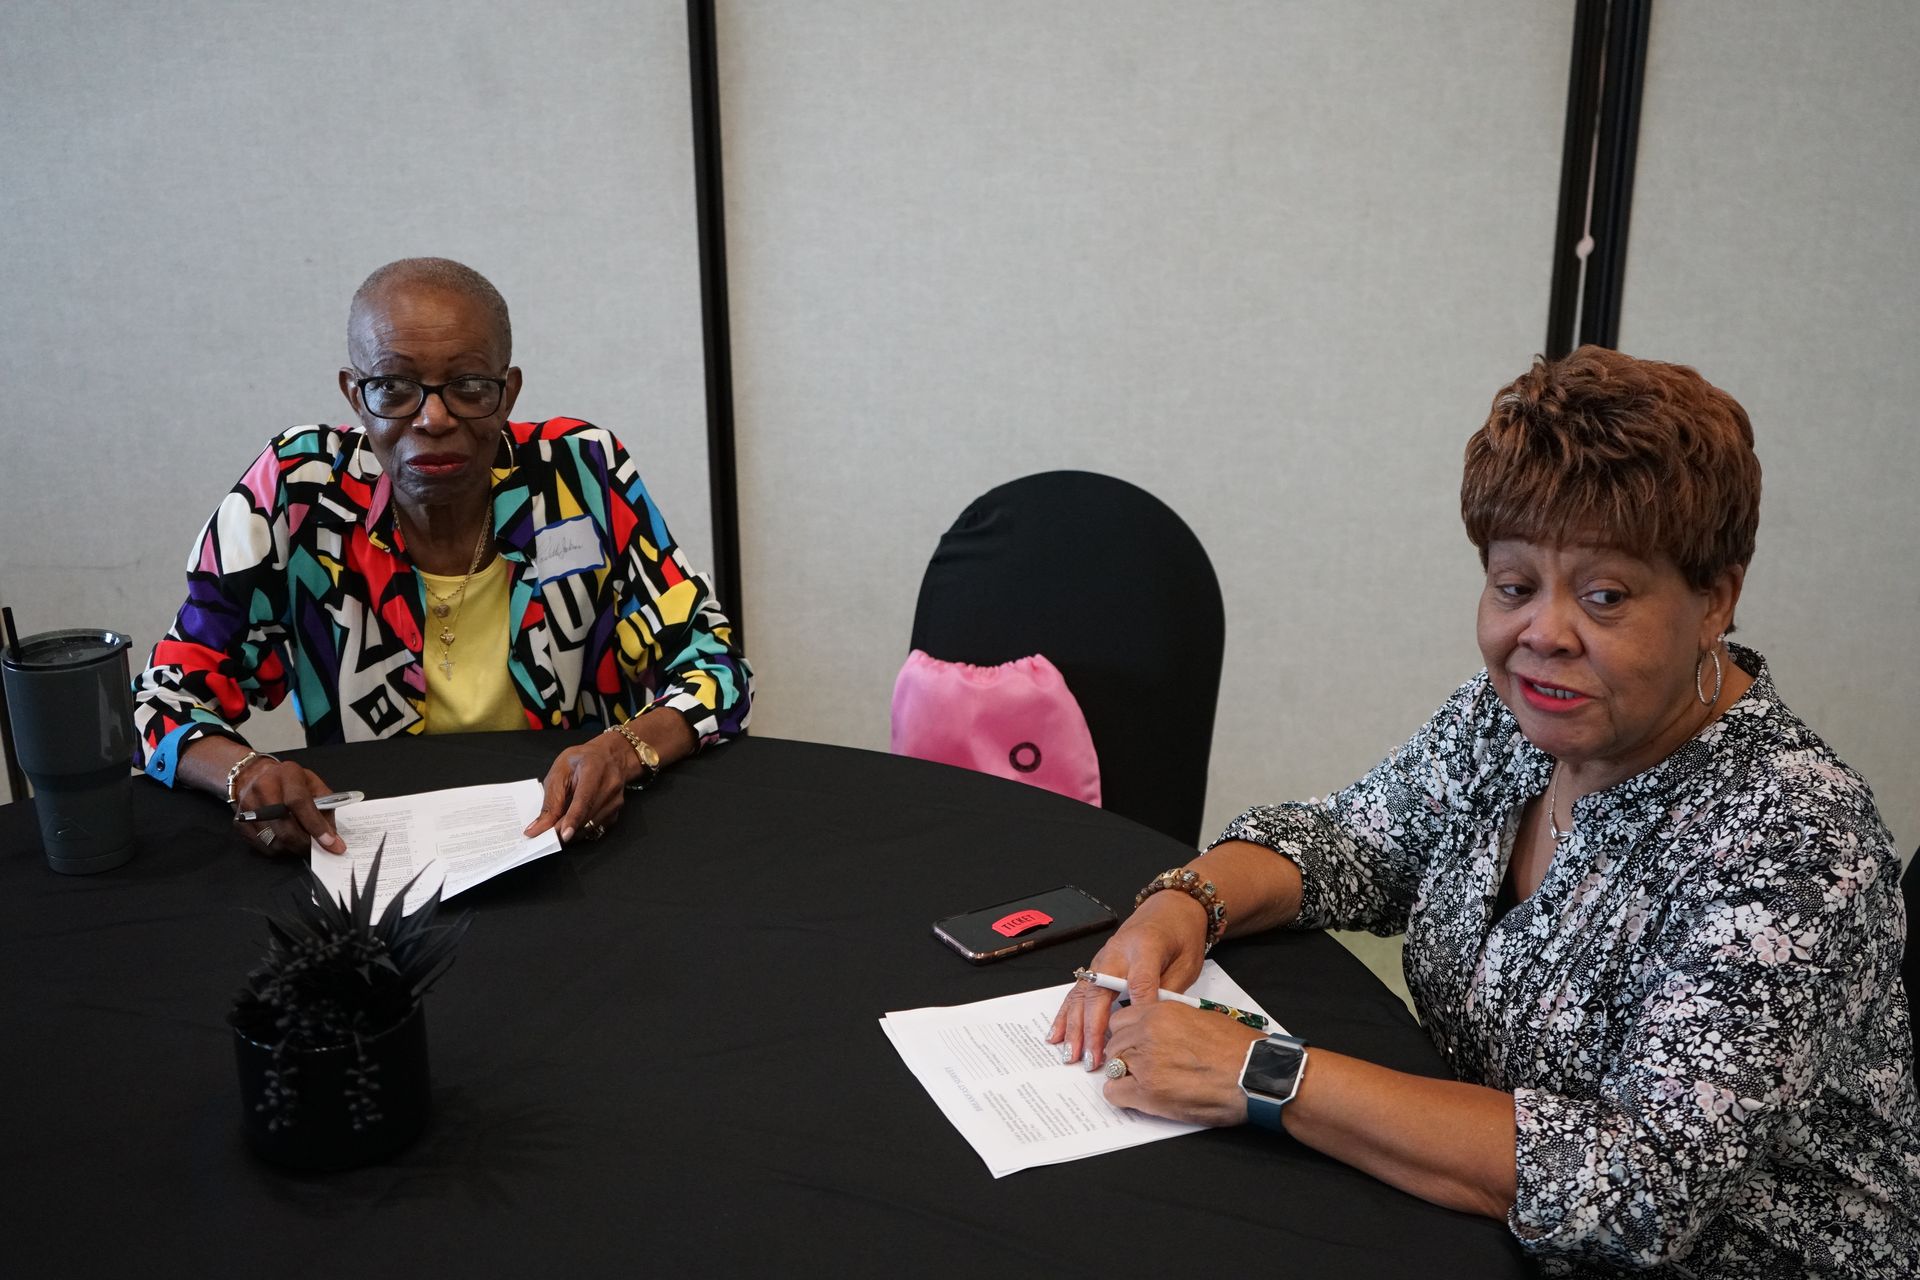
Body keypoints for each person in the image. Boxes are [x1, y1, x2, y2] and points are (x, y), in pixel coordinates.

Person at [1052, 347, 1918, 1277]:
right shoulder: (1518, 715)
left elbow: (1635, 1188)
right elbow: (1350, 843)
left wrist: (1260, 1073)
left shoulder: (1794, 841)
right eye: (1514, 587)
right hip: (1473, 1223)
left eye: (1604, 596)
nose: (1542, 633)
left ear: (1716, 599)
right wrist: (1185, 903)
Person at [133, 258, 751, 854]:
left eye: (468, 386)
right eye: (394, 388)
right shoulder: (300, 492)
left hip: (563, 834)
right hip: (369, 847)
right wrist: (245, 772)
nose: (433, 418)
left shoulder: (581, 476)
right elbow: (161, 697)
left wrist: (622, 750)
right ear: (355, 395)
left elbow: (716, 669)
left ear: (507, 393)